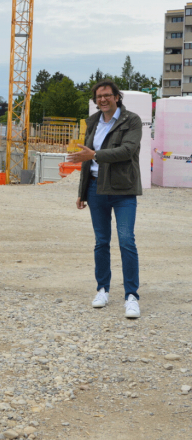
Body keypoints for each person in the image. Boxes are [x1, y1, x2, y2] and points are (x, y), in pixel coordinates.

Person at [68, 79, 142, 319]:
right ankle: (102, 289)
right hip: (95, 188)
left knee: (126, 241)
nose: (103, 99)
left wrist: (96, 154)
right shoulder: (93, 123)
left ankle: (131, 296)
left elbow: (127, 151)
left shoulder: (131, 120)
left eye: (107, 95)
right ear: (95, 100)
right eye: (99, 96)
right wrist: (81, 193)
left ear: (116, 97)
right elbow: (86, 161)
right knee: (101, 242)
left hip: (123, 190)